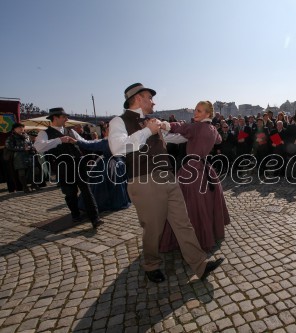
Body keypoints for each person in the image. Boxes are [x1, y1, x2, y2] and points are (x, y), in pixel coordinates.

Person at [108, 83, 224, 283]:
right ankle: (151, 265)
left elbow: (177, 137)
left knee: (183, 223)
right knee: (154, 228)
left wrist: (202, 129)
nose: (154, 102)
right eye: (150, 98)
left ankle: (200, 265)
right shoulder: (119, 121)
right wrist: (147, 132)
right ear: (138, 98)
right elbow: (117, 148)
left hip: (168, 177)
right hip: (144, 179)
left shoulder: (153, 121)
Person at [160, 101, 231, 252]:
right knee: (204, 203)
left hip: (191, 169)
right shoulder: (212, 129)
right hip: (205, 167)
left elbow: (182, 127)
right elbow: (219, 139)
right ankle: (209, 233)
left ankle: (193, 238)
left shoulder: (197, 127)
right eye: (195, 110)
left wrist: (164, 125)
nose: (195, 113)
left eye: (199, 111)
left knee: (188, 205)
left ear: (207, 114)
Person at [34, 108, 103, 229]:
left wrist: (97, 141)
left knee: (87, 191)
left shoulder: (70, 131)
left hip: (78, 163)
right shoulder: (44, 133)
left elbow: (84, 142)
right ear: (55, 118)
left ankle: (95, 218)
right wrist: (59, 140)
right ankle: (75, 215)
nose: (67, 119)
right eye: (64, 117)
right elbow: (39, 147)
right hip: (63, 166)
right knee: (70, 193)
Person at [76, 124, 130, 212]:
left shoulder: (115, 141)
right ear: (104, 132)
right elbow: (89, 145)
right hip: (109, 164)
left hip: (117, 163)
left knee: (117, 183)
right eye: (108, 130)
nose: (111, 132)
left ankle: (116, 201)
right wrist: (77, 141)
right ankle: (108, 202)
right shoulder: (105, 142)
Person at [5, 123, 39, 193]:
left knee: (34, 170)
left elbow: (30, 144)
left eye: (22, 127)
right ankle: (25, 187)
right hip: (19, 157)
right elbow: (9, 146)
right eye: (19, 127)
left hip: (29, 156)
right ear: (14, 129)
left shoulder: (26, 136)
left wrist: (32, 148)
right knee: (22, 173)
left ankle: (33, 184)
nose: (21, 129)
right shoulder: (11, 137)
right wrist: (22, 148)